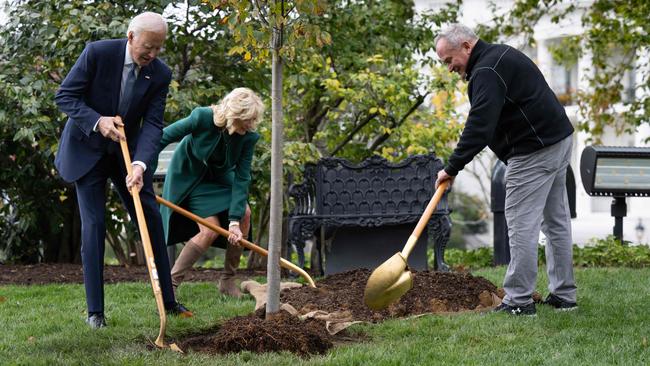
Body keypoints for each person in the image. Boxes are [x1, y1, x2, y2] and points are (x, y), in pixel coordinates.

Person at [54, 12, 192, 329]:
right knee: (94, 224)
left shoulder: (159, 74)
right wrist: (97, 121)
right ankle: (95, 313)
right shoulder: (97, 53)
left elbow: (153, 124)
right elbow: (65, 95)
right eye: (148, 47)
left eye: (159, 48)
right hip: (86, 149)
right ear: (131, 37)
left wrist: (142, 164)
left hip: (126, 155)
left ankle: (168, 300)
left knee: (151, 217)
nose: (153, 55)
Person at [433, 24, 577, 316]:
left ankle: (519, 301)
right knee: (556, 222)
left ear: (466, 47)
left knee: (521, 225)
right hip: (558, 139)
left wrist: (452, 167)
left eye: (449, 60)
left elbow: (479, 127)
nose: (449, 68)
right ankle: (564, 296)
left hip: (534, 151)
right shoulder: (500, 54)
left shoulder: (486, 71)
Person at [157, 87, 263, 299]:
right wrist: (141, 166)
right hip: (190, 177)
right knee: (210, 230)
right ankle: (170, 285)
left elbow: (242, 177)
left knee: (244, 214)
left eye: (254, 119)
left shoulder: (248, 137)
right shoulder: (203, 118)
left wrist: (234, 221)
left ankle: (227, 281)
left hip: (219, 178)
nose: (252, 124)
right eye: (248, 119)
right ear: (235, 116)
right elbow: (163, 137)